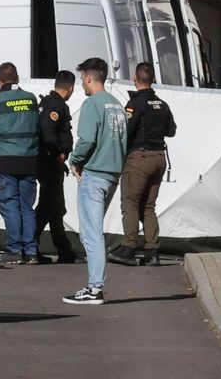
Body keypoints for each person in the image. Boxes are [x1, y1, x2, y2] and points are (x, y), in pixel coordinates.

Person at [63, 58, 127, 306]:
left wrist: (74, 160)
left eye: (82, 80)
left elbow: (87, 140)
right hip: (112, 173)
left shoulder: (93, 104)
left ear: (89, 78)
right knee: (94, 231)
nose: (82, 84)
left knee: (91, 233)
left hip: (95, 172)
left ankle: (95, 287)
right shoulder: (117, 105)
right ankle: (94, 286)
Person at [107, 62, 176, 267]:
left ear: (134, 79)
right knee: (148, 206)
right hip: (159, 157)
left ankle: (129, 247)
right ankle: (152, 250)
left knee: (129, 202)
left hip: (140, 157)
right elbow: (171, 130)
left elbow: (126, 131)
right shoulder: (162, 104)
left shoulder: (134, 104)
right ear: (153, 79)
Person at [0, 62, 40, 265]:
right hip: (30, 160)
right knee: (27, 207)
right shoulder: (31, 99)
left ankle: (15, 250)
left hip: (4, 161)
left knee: (10, 206)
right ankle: (31, 251)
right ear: (18, 78)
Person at [34, 70, 77, 264]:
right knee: (48, 205)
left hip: (49, 161)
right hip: (51, 161)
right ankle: (30, 245)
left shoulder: (47, 103)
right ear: (71, 88)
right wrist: (58, 152)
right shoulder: (56, 105)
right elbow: (48, 131)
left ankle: (64, 249)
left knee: (56, 206)